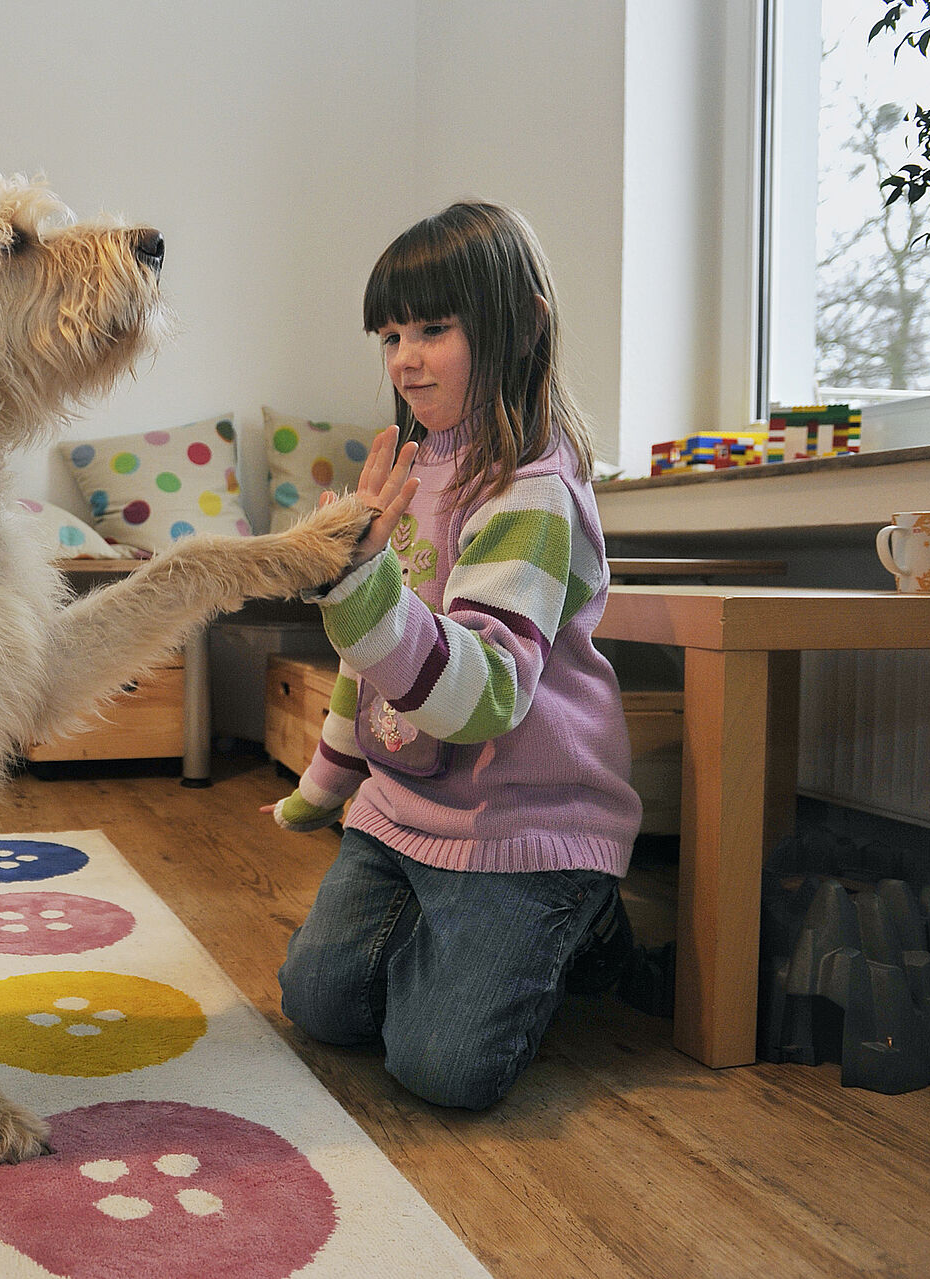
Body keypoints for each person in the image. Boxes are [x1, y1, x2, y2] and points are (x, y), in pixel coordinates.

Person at [267, 201, 641, 1110]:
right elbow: (373, 657)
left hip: (520, 821)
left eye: (435, 328)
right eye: (392, 333)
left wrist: (361, 590)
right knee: (318, 1002)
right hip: (407, 805)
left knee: (440, 1067)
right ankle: (462, 939)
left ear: (521, 325)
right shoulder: (414, 466)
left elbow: (488, 697)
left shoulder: (531, 488)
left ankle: (581, 920)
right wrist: (327, 778)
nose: (404, 355)